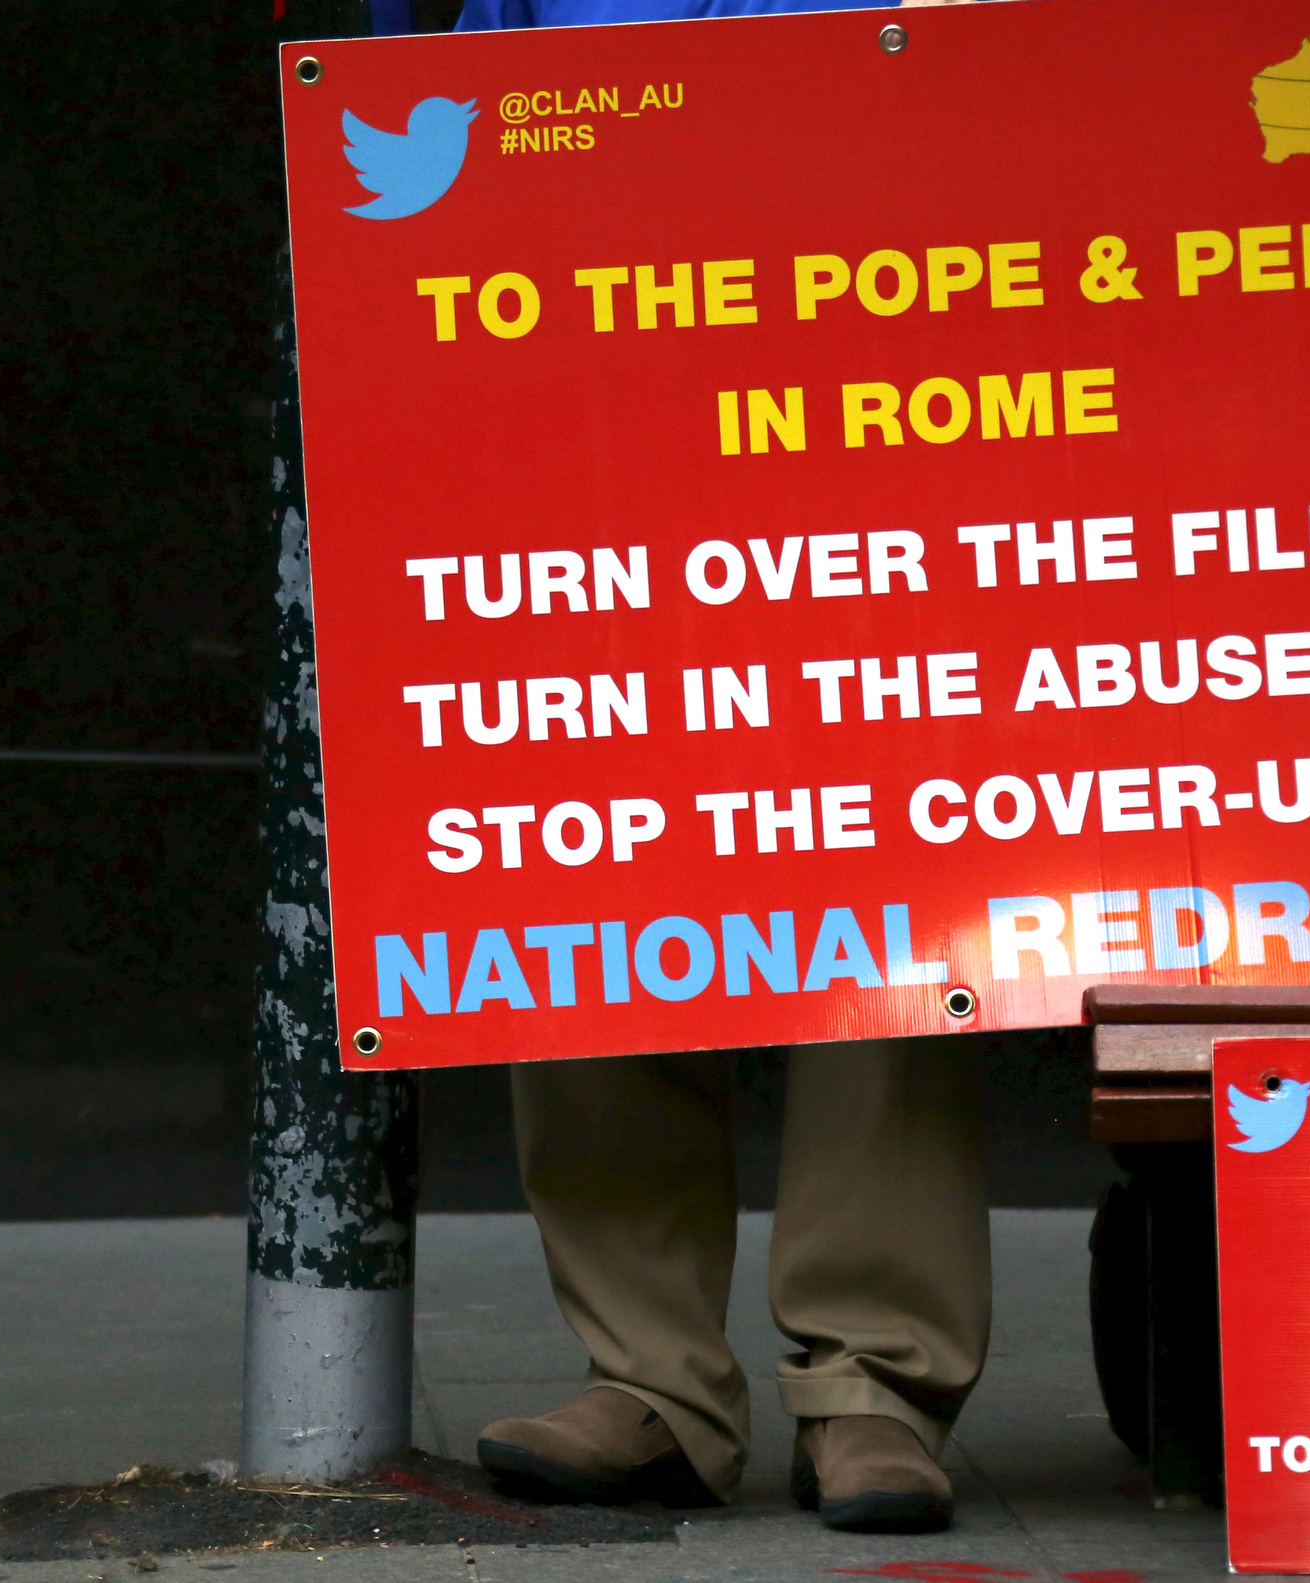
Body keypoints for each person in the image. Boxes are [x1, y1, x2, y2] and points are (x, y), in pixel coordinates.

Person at [446, 0, 993, 1538]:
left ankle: (874, 1377)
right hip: (566, 268)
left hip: (894, 270)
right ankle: (652, 1381)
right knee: (582, 811)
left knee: (891, 848)